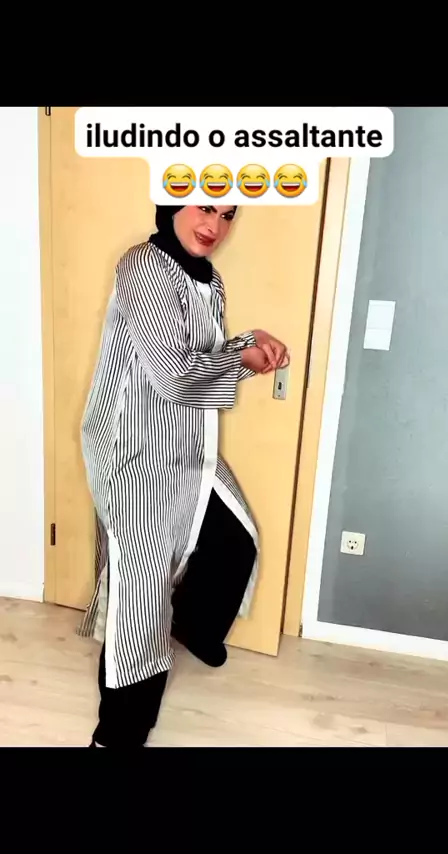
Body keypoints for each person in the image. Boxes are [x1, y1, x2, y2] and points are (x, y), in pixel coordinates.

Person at [77, 203, 289, 747]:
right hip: (133, 450)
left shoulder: (209, 280)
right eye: (205, 208)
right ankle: (117, 734)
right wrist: (241, 360)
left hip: (187, 446)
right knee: (140, 600)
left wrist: (247, 343)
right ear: (172, 201)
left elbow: (203, 356)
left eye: (228, 214)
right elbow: (175, 377)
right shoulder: (144, 265)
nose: (214, 226)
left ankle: (189, 625)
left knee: (235, 539)